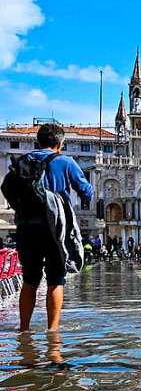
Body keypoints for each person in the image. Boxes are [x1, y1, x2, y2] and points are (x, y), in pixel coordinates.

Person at [5, 123, 93, 332]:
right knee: (55, 279)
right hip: (54, 228)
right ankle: (52, 332)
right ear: (60, 143)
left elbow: (6, 187)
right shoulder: (65, 161)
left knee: (29, 279)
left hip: (26, 226)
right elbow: (86, 191)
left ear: (38, 141)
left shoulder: (23, 161)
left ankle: (24, 329)